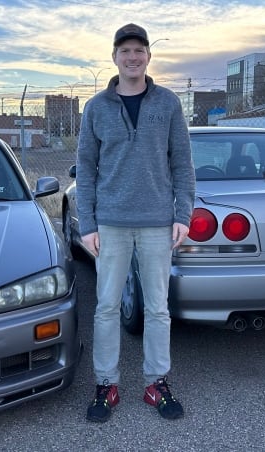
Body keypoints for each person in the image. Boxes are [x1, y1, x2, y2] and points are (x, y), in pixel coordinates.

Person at [76, 23, 195, 422]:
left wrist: (183, 214)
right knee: (107, 307)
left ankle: (155, 383)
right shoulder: (95, 108)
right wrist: (87, 223)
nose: (132, 57)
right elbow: (87, 172)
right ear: (115, 57)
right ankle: (106, 384)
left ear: (148, 56)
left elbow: (182, 163)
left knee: (158, 309)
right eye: (125, 51)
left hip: (158, 224)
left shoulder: (167, 104)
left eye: (139, 50)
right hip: (110, 224)